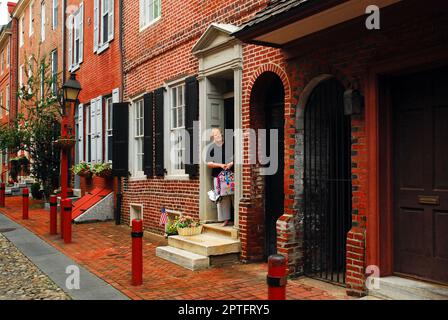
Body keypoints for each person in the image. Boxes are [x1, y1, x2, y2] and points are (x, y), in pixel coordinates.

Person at [206, 127, 234, 226]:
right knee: (222, 198)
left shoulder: (229, 146)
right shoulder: (211, 148)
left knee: (233, 195)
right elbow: (209, 163)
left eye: (219, 134)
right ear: (213, 137)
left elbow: (236, 157)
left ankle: (237, 219)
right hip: (218, 176)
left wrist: (231, 163)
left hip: (231, 176)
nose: (218, 136)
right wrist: (220, 165)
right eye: (215, 135)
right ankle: (225, 219)